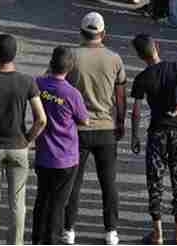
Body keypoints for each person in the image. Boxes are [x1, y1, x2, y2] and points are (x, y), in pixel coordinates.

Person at [0, 34, 46, 246]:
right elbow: (41, 119)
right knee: (17, 203)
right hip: (18, 148)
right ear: (14, 54)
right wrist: (27, 141)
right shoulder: (27, 81)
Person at [64, 13, 128, 245]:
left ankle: (69, 229)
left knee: (73, 182)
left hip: (76, 129)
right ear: (103, 34)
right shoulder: (115, 59)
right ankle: (111, 231)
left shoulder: (71, 56)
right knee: (109, 183)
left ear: (81, 32)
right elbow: (120, 96)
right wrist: (120, 122)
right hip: (106, 128)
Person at [130, 34, 177, 244]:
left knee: (155, 182)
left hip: (157, 132)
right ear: (156, 47)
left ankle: (157, 233)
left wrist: (134, 135)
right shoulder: (175, 68)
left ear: (140, 56)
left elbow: (136, 112)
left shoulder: (142, 78)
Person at [31, 47, 88, 246]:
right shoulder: (72, 93)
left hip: (44, 154)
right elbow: (84, 120)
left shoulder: (38, 84)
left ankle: (37, 239)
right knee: (58, 204)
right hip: (66, 157)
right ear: (70, 68)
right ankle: (52, 240)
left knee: (42, 199)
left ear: (50, 63)